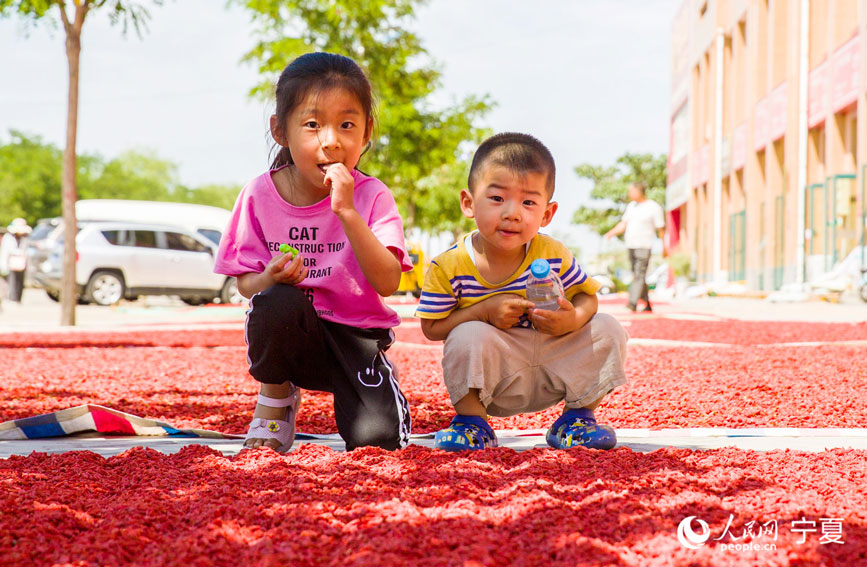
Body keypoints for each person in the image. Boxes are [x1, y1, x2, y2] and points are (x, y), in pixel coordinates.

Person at [214, 52, 414, 453]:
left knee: (377, 443)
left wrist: (346, 212)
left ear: (366, 131)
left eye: (346, 124)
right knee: (273, 303)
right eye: (312, 124)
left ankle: (373, 385)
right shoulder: (258, 194)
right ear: (280, 131)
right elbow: (246, 286)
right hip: (294, 332)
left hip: (356, 339)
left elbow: (389, 282)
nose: (331, 140)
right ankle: (276, 399)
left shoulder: (372, 195)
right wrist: (271, 275)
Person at [416, 133, 628, 451]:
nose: (513, 213)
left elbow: (587, 296)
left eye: (528, 202)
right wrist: (483, 312)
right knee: (466, 334)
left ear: (547, 214)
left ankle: (576, 421)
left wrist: (572, 321)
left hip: (554, 360)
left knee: (607, 328)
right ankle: (472, 423)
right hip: (497, 376)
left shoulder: (552, 252)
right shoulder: (449, 265)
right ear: (468, 203)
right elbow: (431, 328)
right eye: (498, 199)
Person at [604, 182, 666, 312]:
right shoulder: (631, 206)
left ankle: (632, 303)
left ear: (639, 191)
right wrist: (611, 233)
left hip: (644, 245)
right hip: (631, 245)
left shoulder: (653, 207)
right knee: (638, 275)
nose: (629, 194)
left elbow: (660, 228)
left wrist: (664, 246)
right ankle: (647, 303)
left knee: (638, 274)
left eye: (631, 191)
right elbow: (623, 224)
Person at [0, 218, 32, 303]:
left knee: (20, 281)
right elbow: (5, 252)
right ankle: (11, 297)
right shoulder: (9, 237)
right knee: (12, 280)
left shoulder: (25, 238)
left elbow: (26, 251)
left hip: (22, 262)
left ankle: (18, 297)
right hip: (11, 262)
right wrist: (3, 265)